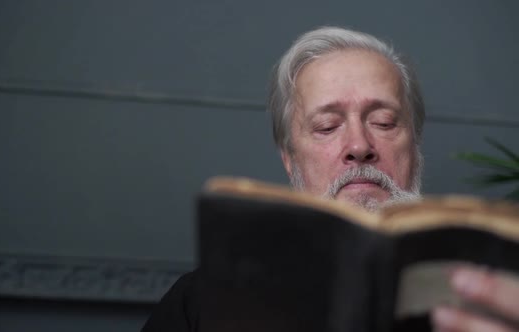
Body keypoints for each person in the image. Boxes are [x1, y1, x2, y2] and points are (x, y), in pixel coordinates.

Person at [142, 26, 519, 332]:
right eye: (326, 126)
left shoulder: (491, 295)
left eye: (384, 122)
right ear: (291, 161)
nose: (359, 145)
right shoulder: (204, 301)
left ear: (415, 147)